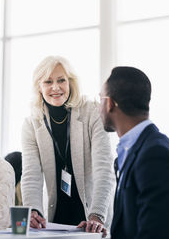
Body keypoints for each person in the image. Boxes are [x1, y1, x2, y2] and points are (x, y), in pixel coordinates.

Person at [21, 56, 115, 236]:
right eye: (48, 81)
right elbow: (31, 174)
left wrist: (97, 215)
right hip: (54, 219)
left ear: (71, 83)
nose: (55, 87)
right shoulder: (31, 124)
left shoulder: (92, 111)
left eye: (61, 80)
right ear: (39, 87)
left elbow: (104, 168)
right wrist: (33, 211)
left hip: (92, 217)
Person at [99, 66, 169, 239]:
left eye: (100, 99)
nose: (99, 107)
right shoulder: (138, 149)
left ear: (110, 103)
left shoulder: (156, 156)